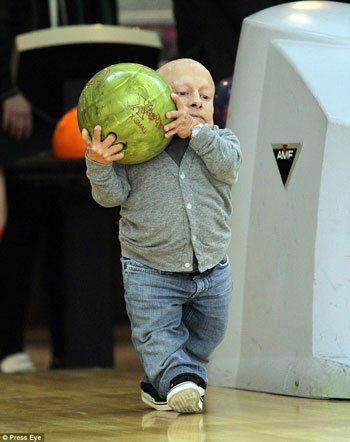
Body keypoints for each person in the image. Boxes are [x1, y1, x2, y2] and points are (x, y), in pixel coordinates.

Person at [82, 58, 242, 413]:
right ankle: (182, 381)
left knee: (207, 335)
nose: (197, 101)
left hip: (212, 269)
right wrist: (100, 163)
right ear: (154, 102)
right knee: (156, 335)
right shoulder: (135, 154)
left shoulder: (221, 141)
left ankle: (164, 381)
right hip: (148, 269)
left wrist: (197, 133)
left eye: (206, 95)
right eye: (183, 94)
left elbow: (228, 166)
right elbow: (110, 197)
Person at [0, 0, 119, 373]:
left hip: (79, 120)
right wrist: (5, 92)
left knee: (70, 231)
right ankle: (8, 347)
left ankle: (71, 350)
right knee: (20, 234)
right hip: (21, 122)